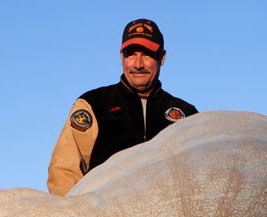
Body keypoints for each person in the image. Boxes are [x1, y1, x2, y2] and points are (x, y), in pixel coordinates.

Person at [47, 18, 198, 195]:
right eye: (131, 54)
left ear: (162, 57)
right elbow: (63, 171)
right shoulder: (93, 104)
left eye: (147, 54)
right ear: (121, 57)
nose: (138, 64)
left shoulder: (187, 115)